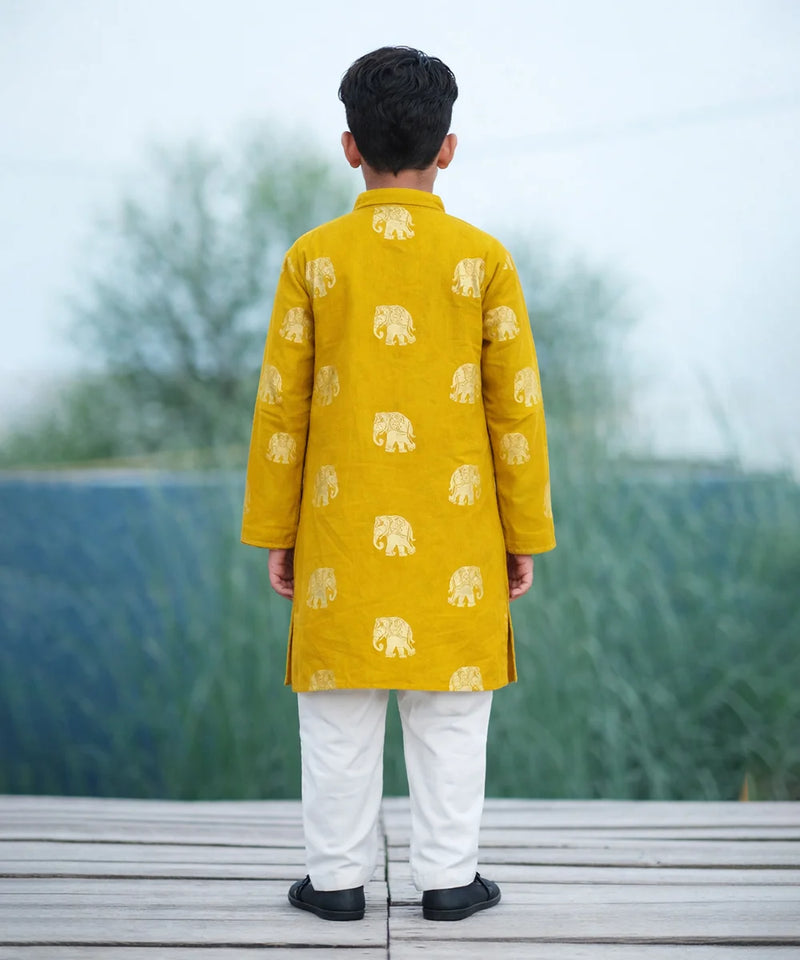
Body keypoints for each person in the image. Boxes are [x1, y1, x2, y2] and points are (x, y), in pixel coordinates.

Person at [241, 46, 556, 922]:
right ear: (447, 148)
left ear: (350, 147)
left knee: (336, 719)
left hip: (339, 537)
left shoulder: (313, 259)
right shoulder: (483, 261)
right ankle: (449, 882)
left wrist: (277, 531)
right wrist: (523, 534)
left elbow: (281, 409)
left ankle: (335, 884)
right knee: (451, 718)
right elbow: (516, 412)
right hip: (458, 537)